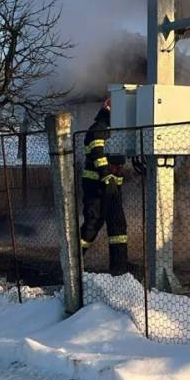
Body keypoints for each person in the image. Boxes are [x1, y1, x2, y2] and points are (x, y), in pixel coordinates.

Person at [80, 98, 130, 275]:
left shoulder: (113, 130)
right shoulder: (98, 129)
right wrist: (106, 175)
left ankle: (119, 269)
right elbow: (97, 153)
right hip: (97, 186)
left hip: (112, 186)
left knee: (118, 226)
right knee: (92, 224)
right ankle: (74, 263)